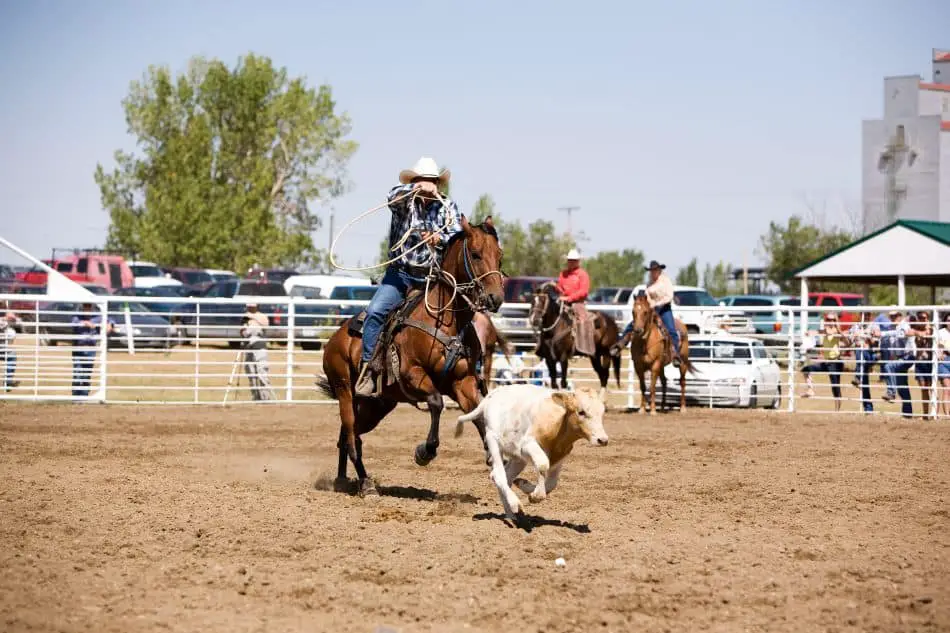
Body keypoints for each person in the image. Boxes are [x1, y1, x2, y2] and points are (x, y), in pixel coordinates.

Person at [356, 157, 464, 398]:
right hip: (400, 275)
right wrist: (414, 189)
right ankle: (369, 371)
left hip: (432, 278)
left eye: (431, 181)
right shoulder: (404, 202)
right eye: (422, 180)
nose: (427, 186)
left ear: (438, 183)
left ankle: (469, 366)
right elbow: (390, 196)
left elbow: (457, 234)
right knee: (375, 312)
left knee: (465, 314)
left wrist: (441, 239)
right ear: (415, 181)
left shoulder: (448, 207)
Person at [801, 314, 845, 411]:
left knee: (835, 387)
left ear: (835, 320)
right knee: (806, 369)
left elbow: (829, 332)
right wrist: (810, 332)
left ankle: (837, 410)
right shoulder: (826, 330)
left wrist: (816, 332)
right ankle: (810, 390)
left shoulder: (835, 330)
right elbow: (820, 332)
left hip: (835, 362)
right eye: (828, 319)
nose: (830, 321)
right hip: (827, 362)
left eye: (832, 319)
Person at [70, 302, 115, 398]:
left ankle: (84, 395)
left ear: (92, 308)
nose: (87, 308)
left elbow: (110, 319)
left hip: (91, 348)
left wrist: (110, 324)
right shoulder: (77, 317)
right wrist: (86, 323)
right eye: (85, 306)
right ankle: (76, 396)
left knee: (87, 373)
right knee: (77, 372)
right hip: (79, 347)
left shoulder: (97, 317)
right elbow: (73, 323)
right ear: (82, 307)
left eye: (89, 306)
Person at [555, 249, 594, 356]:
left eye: (573, 260)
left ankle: (583, 347)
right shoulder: (563, 274)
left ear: (578, 262)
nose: (571, 262)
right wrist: (557, 289)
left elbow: (583, 292)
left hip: (578, 303)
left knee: (582, 321)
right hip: (563, 302)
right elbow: (560, 286)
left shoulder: (582, 274)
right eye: (570, 260)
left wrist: (569, 298)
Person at [644, 260, 681, 366]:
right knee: (637, 324)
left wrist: (658, 304)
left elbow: (669, 296)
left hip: (664, 308)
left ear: (659, 270)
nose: (653, 272)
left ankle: (676, 354)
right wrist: (651, 305)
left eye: (655, 270)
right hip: (652, 309)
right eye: (651, 271)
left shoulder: (665, 280)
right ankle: (622, 341)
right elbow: (647, 295)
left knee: (671, 330)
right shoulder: (649, 283)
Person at [882, 311, 915, 418]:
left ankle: (891, 392)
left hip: (908, 356)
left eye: (895, 316)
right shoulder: (891, 327)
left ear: (900, 316)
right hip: (900, 358)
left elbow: (900, 334)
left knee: (888, 366)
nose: (893, 318)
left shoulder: (904, 325)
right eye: (891, 316)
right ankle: (907, 413)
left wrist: (882, 334)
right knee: (902, 386)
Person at [849, 311, 880, 413]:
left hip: (871, 355)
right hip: (861, 355)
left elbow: (875, 342)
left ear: (870, 316)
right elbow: (851, 340)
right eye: (863, 314)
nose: (865, 316)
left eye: (867, 314)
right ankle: (868, 409)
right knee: (865, 382)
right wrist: (856, 337)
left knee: (861, 351)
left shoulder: (874, 326)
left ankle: (858, 376)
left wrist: (866, 337)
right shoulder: (855, 326)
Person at [240, 302, 272, 401]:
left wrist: (253, 318)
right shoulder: (245, 317)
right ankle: (255, 396)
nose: (250, 308)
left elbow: (265, 325)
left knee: (262, 370)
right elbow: (242, 331)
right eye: (249, 306)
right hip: (248, 346)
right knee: (250, 371)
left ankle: (265, 397)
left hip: (259, 346)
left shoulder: (262, 316)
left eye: (252, 306)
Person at [0, 302, 22, 391]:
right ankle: (8, 382)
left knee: (12, 356)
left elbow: (16, 320)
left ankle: (8, 382)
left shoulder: (5, 315)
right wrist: (5, 318)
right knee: (11, 356)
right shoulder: (4, 319)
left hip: (1, 346)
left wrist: (10, 316)